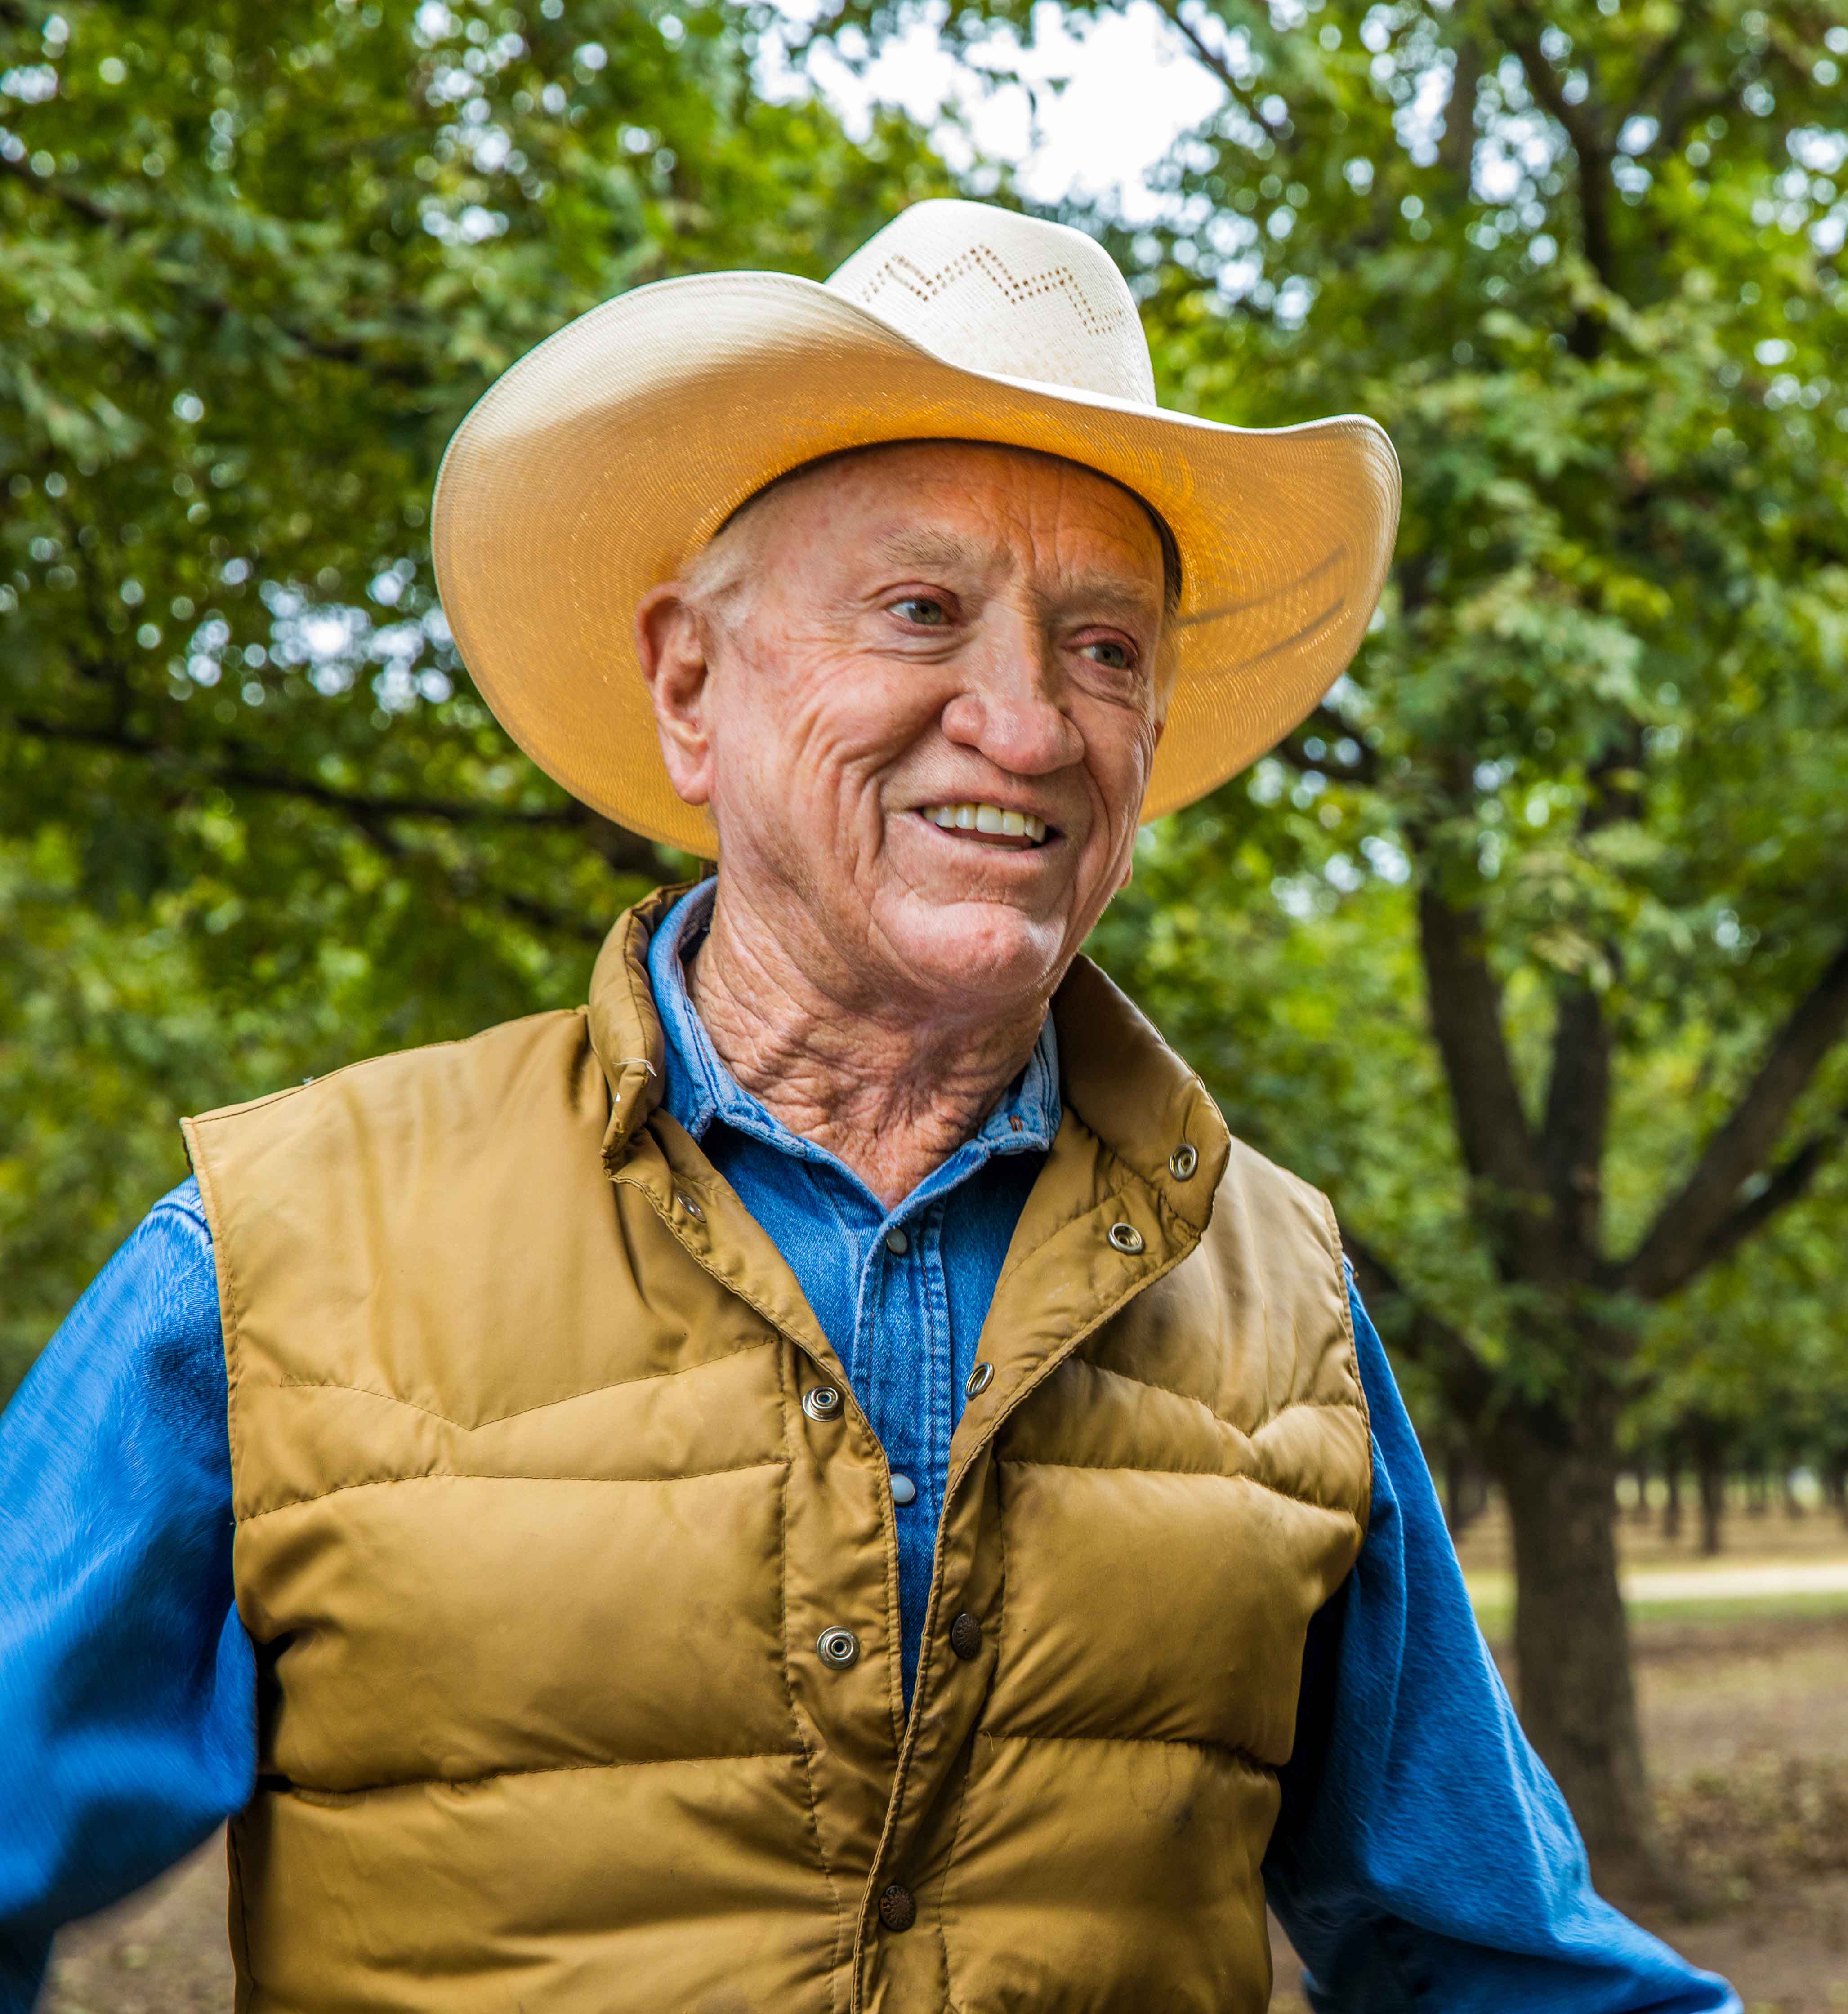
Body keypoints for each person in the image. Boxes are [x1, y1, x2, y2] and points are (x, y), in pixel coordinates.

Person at [0, 198, 1736, 2014]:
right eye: (923, 610)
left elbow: (1498, 1959)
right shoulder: (280, 1250)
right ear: (691, 685)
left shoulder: (1277, 1296)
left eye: (1107, 647)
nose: (1031, 721)